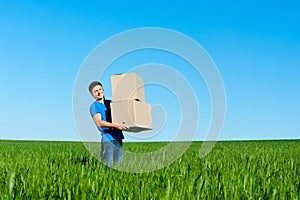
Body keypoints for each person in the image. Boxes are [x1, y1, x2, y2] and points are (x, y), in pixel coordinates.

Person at [89, 81, 127, 168]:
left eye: (100, 89)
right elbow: (99, 122)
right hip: (108, 139)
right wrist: (116, 125)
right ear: (92, 94)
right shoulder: (94, 106)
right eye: (95, 91)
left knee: (118, 165)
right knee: (108, 166)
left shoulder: (111, 103)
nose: (99, 92)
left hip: (118, 137)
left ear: (103, 90)